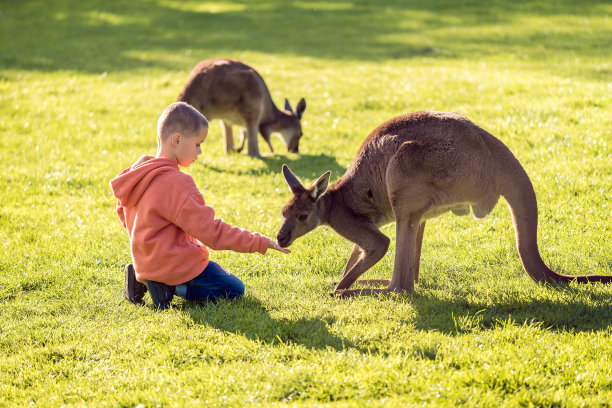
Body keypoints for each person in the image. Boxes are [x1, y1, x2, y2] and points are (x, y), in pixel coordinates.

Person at [110, 102, 289, 309]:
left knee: (217, 278)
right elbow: (212, 232)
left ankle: (139, 277)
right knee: (234, 289)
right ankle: (169, 288)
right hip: (175, 267)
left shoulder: (138, 173)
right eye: (197, 144)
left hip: (144, 261)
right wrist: (258, 242)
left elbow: (122, 212)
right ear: (176, 140)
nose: (200, 151)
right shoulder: (177, 184)